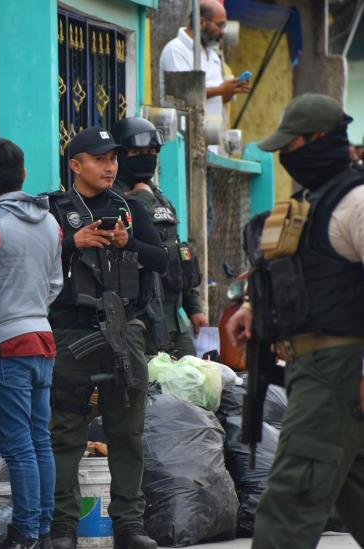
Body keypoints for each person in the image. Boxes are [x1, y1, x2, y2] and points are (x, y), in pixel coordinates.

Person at [227, 94, 364, 548]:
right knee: (352, 488)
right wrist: (254, 310)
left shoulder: (356, 201)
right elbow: (300, 278)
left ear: (322, 139)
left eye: (294, 143)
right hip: (310, 368)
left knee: (290, 497)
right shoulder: (306, 203)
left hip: (339, 370)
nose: (286, 156)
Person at [46, 127, 168, 549]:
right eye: (99, 159)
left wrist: (127, 240)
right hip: (70, 331)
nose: (110, 165)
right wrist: (70, 242)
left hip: (123, 331)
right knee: (65, 431)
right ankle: (63, 526)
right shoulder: (53, 209)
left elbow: (163, 261)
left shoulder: (131, 208)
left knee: (127, 432)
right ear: (76, 165)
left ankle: (129, 525)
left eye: (113, 157)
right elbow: (30, 264)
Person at [0, 138, 64, 549]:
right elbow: (55, 284)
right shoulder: (51, 223)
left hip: (6, 347)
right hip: (43, 340)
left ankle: (26, 533)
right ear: (23, 175)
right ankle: (43, 527)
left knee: (19, 445)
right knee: (40, 441)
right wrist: (32, 309)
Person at [111, 117, 208, 358]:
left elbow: (177, 254)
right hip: (142, 317)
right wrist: (143, 200)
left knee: (195, 383)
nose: (147, 156)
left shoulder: (159, 196)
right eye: (137, 152)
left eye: (152, 151)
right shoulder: (114, 198)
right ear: (121, 155)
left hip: (175, 318)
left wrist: (193, 308)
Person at [158, 0, 250, 145]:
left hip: (211, 142)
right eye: (220, 25)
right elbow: (183, 96)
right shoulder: (176, 49)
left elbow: (217, 99)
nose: (222, 31)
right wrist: (221, 89)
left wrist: (231, 89)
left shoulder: (212, 54)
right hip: (185, 142)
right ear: (201, 22)